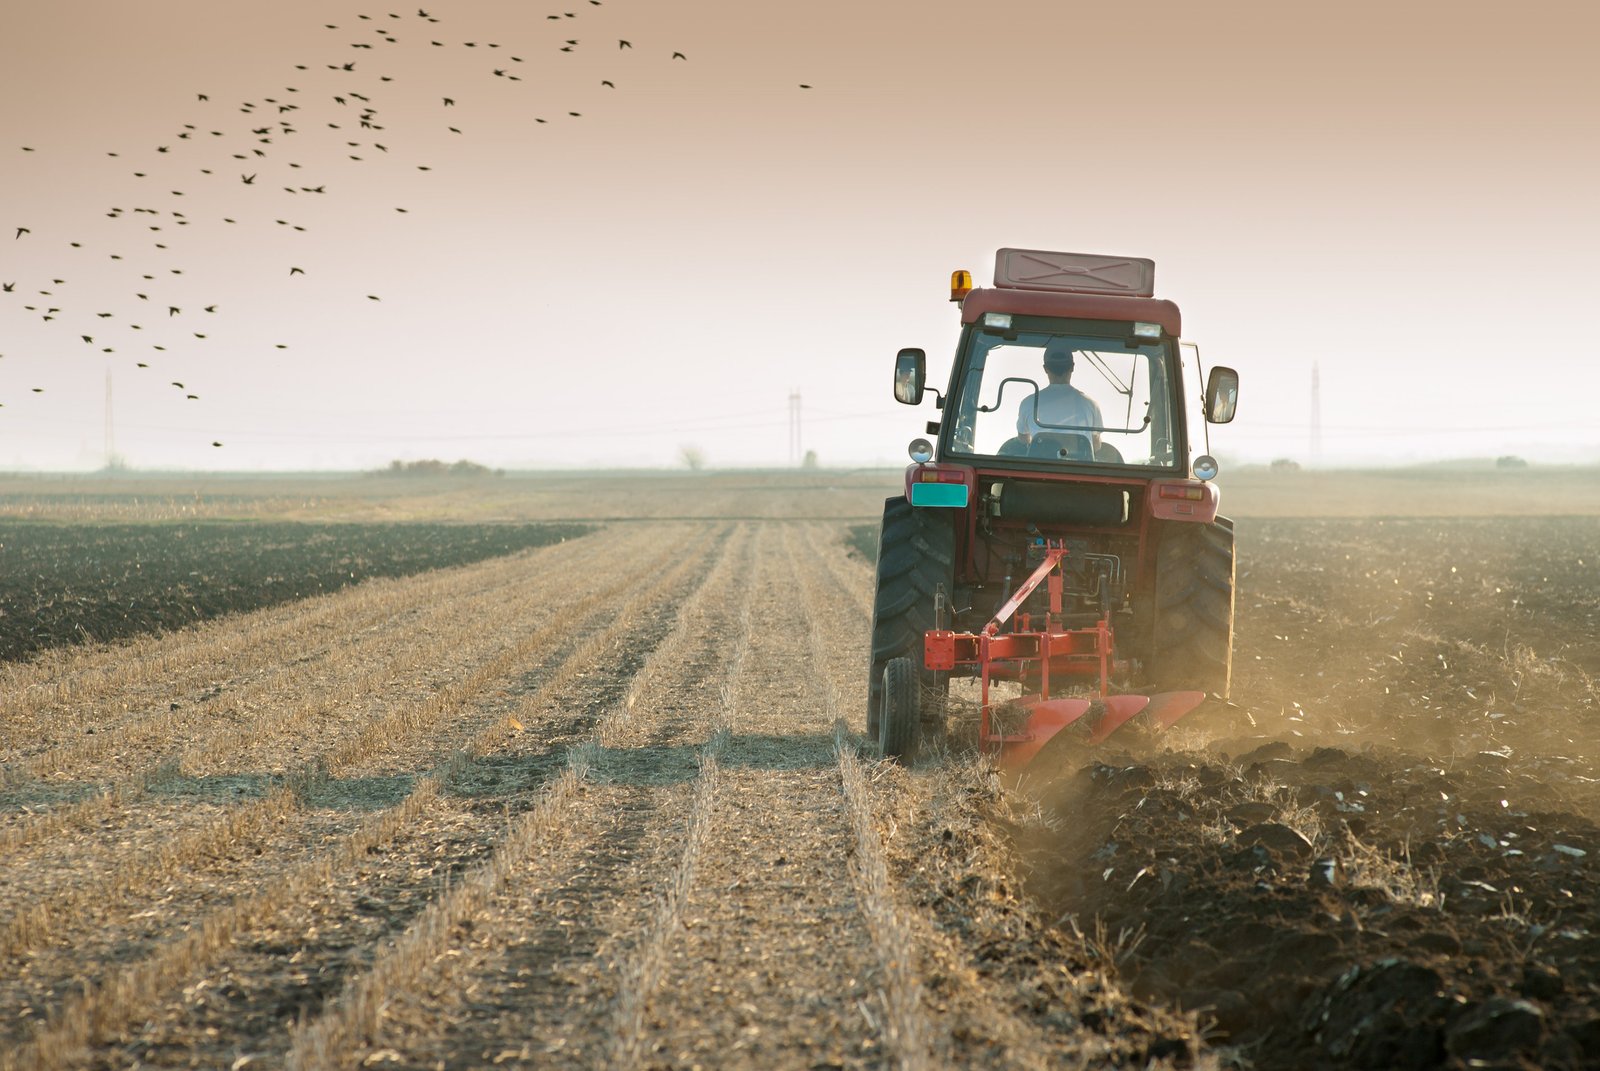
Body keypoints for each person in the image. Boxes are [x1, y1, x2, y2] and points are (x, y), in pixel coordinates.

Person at [1016, 344, 1103, 452]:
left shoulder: (1029, 403)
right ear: (1072, 367)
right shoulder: (1091, 405)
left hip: (1040, 466)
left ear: (1045, 368)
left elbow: (1023, 439)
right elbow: (1096, 445)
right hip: (1078, 467)